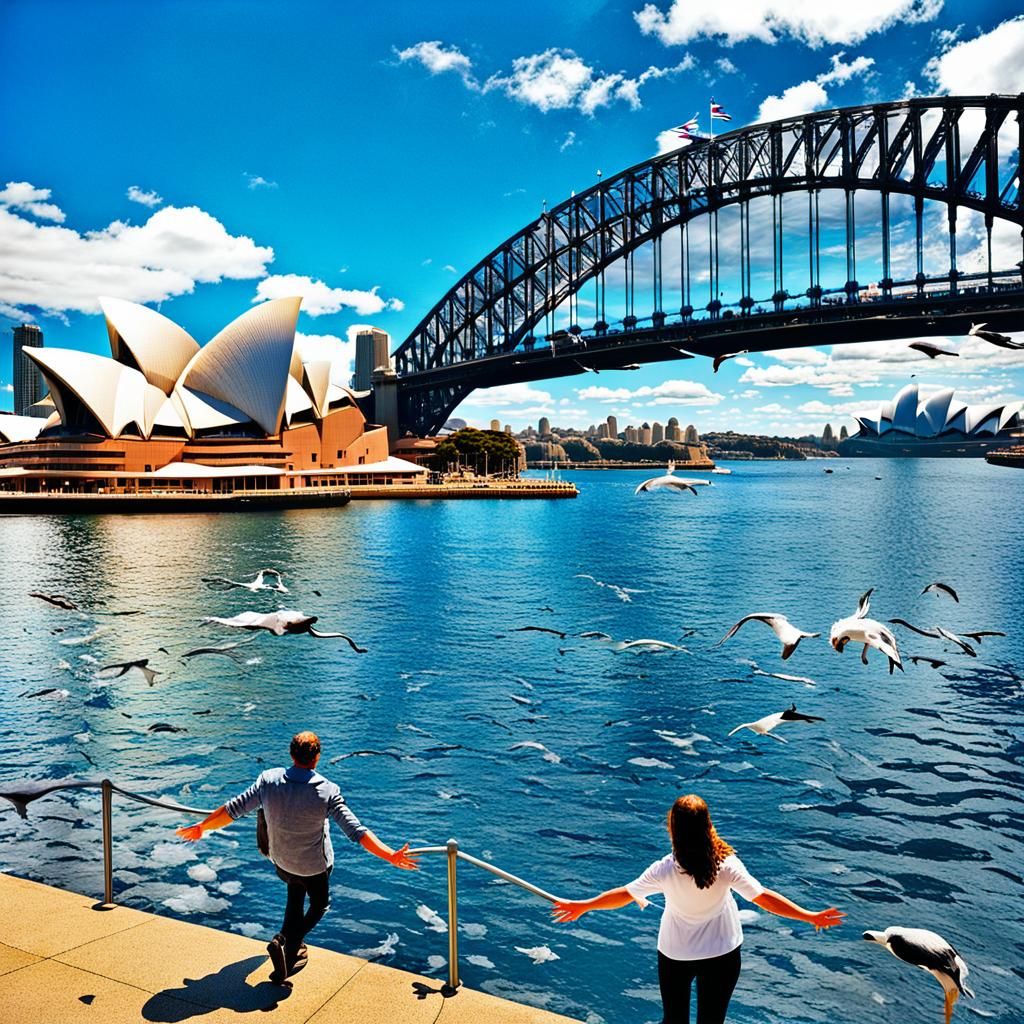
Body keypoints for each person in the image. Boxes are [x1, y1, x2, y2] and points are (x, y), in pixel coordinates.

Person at [551, 794, 844, 1024]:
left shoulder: (665, 869)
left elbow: (625, 895)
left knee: (674, 1021)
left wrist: (584, 906)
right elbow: (763, 897)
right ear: (708, 825)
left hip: (675, 955)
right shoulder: (726, 864)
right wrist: (808, 915)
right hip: (722, 955)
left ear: (673, 829)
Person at [175, 731, 418, 984]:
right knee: (319, 905)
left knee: (294, 897)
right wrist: (390, 855)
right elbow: (356, 832)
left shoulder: (268, 780)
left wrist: (202, 826)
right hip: (314, 867)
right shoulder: (327, 791)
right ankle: (285, 941)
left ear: (291, 754)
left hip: (282, 862)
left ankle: (286, 962)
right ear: (317, 757)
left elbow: (233, 808)